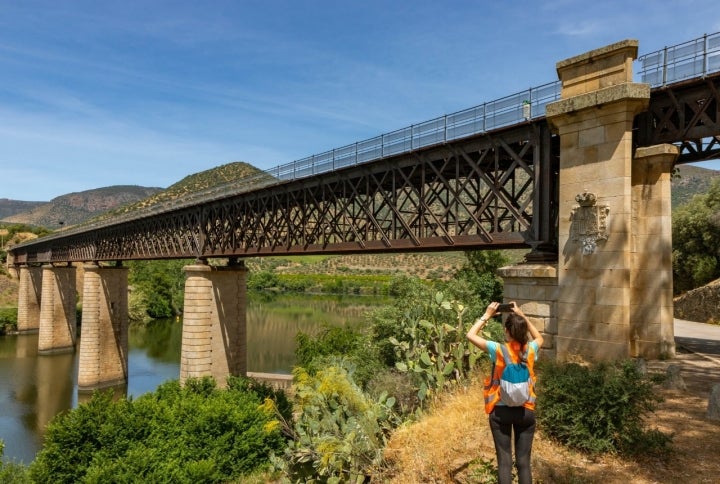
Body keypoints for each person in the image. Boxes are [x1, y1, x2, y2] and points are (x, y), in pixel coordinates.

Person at [466, 301, 544, 484]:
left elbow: (470, 334)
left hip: (500, 412)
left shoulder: (498, 350)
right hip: (526, 411)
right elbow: (539, 338)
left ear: (507, 332)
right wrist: (522, 316)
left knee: (504, 462)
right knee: (524, 462)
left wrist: (487, 315)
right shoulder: (530, 350)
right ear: (523, 331)